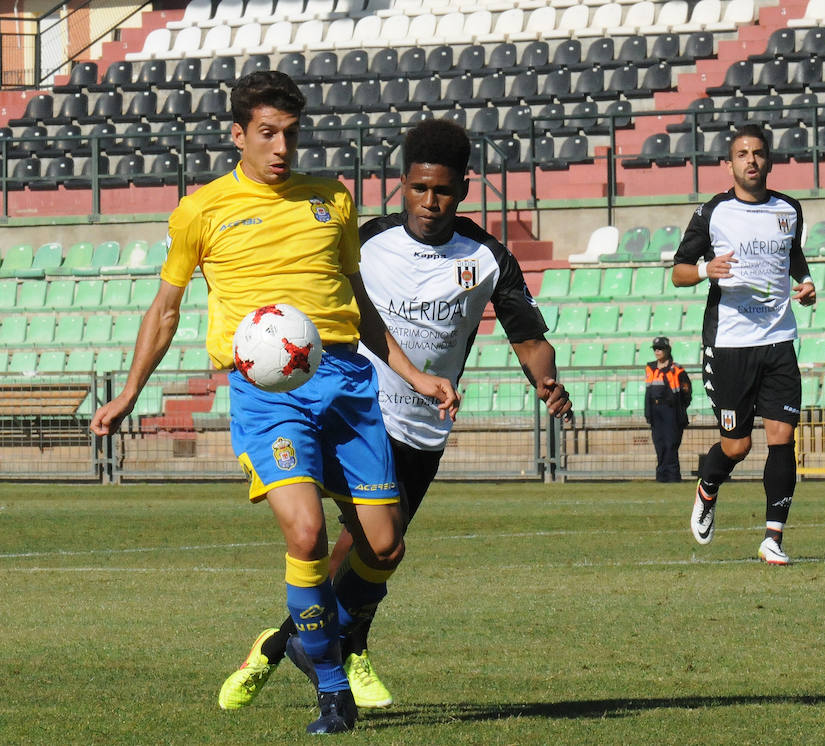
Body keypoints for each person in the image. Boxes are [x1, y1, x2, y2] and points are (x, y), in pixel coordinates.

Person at [90, 71, 460, 735]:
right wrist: (128, 394)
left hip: (346, 383)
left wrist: (411, 374)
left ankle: (307, 639)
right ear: (239, 135)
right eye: (267, 133)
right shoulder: (202, 210)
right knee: (307, 533)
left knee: (386, 544)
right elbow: (167, 309)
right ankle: (329, 687)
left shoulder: (332, 201)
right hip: (266, 393)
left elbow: (359, 304)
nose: (281, 146)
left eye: (291, 133)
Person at [217, 119, 573, 712]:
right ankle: (334, 653)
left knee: (371, 554)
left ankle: (281, 646)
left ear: (463, 188)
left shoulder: (486, 258)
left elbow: (527, 334)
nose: (430, 203)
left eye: (444, 191)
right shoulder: (367, 240)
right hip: (354, 413)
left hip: (421, 433)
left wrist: (546, 381)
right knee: (354, 544)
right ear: (402, 184)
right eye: (418, 189)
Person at [671, 123, 817, 565]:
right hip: (731, 344)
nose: (751, 160)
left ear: (768, 160)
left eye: (757, 153)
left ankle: (773, 538)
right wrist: (703, 271)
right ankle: (708, 487)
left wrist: (806, 281)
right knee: (737, 446)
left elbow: (792, 254)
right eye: (742, 154)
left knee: (782, 438)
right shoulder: (713, 212)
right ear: (730, 163)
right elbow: (679, 270)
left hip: (778, 340)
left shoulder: (789, 210)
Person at [644, 336, 692, 482]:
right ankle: (661, 476)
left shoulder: (676, 369)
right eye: (655, 349)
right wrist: (648, 412)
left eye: (660, 349)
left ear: (667, 350)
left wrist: (679, 409)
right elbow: (648, 392)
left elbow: (686, 392)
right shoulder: (650, 368)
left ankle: (672, 476)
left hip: (671, 410)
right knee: (659, 443)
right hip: (656, 410)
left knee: (671, 443)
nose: (657, 352)